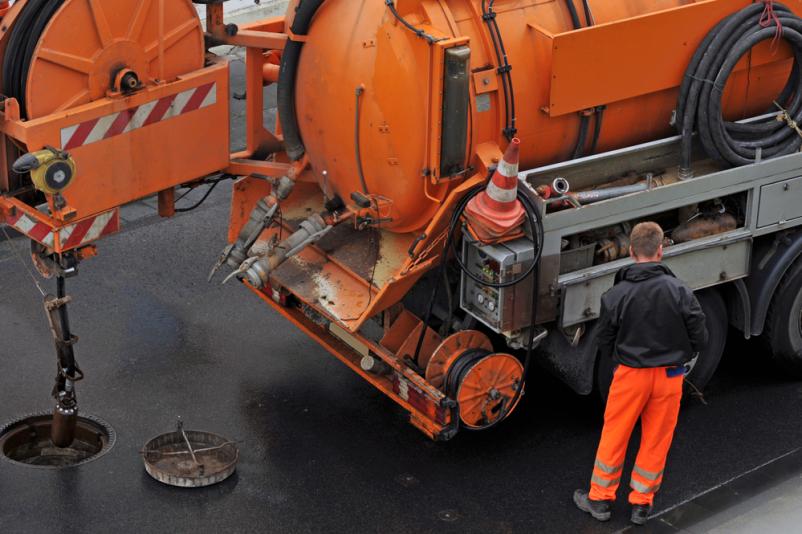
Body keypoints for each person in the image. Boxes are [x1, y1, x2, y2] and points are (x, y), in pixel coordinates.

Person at [573, 221, 708, 526]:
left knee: (615, 434)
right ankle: (641, 505)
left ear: (631, 251)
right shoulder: (681, 291)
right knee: (657, 438)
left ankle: (600, 500)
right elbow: (701, 336)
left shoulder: (616, 295)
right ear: (661, 250)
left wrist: (623, 358)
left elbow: (605, 339)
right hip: (670, 377)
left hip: (630, 375)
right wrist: (682, 354)